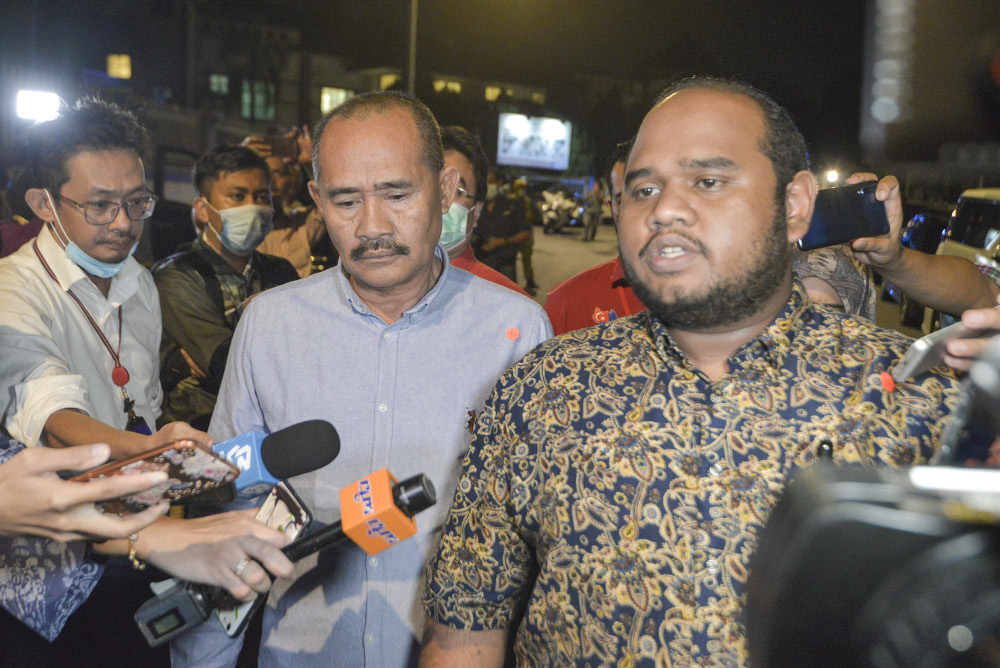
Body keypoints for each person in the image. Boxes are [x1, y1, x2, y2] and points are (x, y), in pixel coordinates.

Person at [420, 77, 961, 666]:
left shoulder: (919, 402)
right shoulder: (542, 392)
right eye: (643, 187)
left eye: (708, 180)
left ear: (796, 204)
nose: (665, 209)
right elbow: (463, 637)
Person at [170, 91, 552, 667]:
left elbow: (541, 532)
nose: (372, 226)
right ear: (318, 200)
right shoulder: (269, 325)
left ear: (447, 190)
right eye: (346, 200)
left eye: (398, 194)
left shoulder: (517, 331)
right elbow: (231, 511)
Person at [0, 97, 295, 667]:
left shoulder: (137, 283)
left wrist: (167, 466)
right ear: (44, 204)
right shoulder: (14, 291)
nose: (123, 223)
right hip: (47, 575)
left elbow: (145, 403)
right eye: (100, 205)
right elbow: (54, 419)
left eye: (137, 202)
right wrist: (158, 448)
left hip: (132, 541)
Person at [154, 146, 299, 430]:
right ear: (203, 209)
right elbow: (225, 366)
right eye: (237, 196)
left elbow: (312, 352)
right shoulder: (179, 275)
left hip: (274, 426)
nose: (252, 206)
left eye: (261, 197)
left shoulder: (280, 271)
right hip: (201, 431)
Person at [544, 141, 646, 334]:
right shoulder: (567, 303)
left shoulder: (716, 299)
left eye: (647, 192)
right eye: (623, 199)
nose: (639, 209)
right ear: (613, 207)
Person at [439, 126, 530, 297]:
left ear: (477, 210)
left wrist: (503, 242)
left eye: (457, 191)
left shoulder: (511, 307)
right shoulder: (378, 288)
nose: (441, 202)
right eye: (433, 187)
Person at [472, 170, 531, 283]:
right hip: (479, 265)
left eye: (491, 182)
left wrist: (504, 242)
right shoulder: (475, 206)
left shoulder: (513, 205)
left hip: (505, 266)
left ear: (499, 183)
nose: (488, 186)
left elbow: (526, 233)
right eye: (485, 183)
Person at [508, 177, 539, 294]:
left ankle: (530, 280)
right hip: (514, 234)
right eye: (520, 188)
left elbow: (533, 215)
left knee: (527, 258)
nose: (522, 190)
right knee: (511, 259)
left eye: (523, 188)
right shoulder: (510, 200)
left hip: (526, 235)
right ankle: (511, 283)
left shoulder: (527, 200)